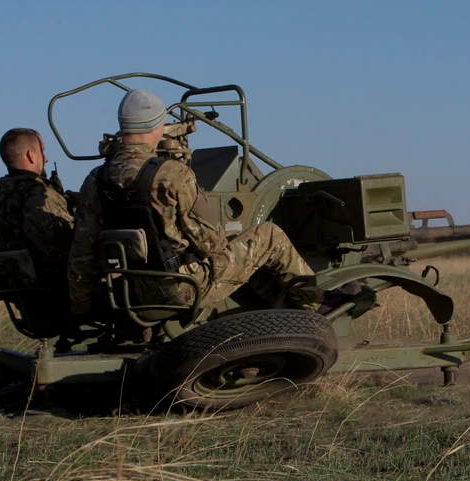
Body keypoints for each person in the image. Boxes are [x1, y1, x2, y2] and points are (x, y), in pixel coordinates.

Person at [67, 89, 324, 319]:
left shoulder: (95, 180)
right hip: (183, 288)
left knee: (240, 254)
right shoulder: (173, 174)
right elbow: (212, 245)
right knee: (268, 237)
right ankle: (315, 309)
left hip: (132, 290)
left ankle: (281, 308)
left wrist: (82, 308)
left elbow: (82, 253)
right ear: (157, 126)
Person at [0, 128, 76, 291]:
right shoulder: (38, 195)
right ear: (31, 155)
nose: (46, 158)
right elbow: (70, 248)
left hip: (20, 294)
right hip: (55, 291)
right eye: (42, 152)